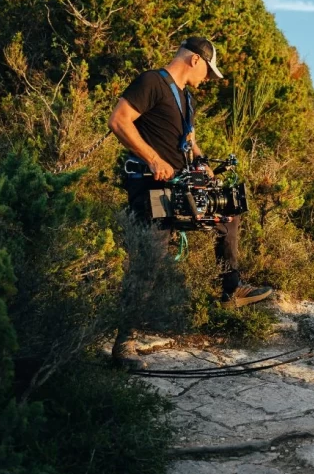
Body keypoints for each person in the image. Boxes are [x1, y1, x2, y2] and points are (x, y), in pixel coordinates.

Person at [107, 36, 272, 369]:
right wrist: (153, 159)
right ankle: (124, 344)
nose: (207, 79)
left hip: (182, 187)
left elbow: (190, 140)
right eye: (207, 72)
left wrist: (201, 163)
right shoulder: (151, 82)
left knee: (227, 215)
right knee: (149, 261)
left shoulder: (187, 97)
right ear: (195, 60)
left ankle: (231, 289)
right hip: (151, 189)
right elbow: (119, 120)